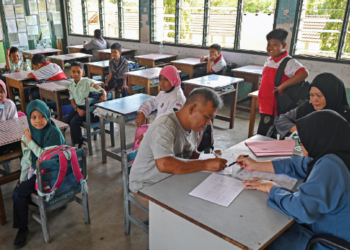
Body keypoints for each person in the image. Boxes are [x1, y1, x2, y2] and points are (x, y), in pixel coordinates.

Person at [237, 110, 350, 250]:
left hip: (326, 242)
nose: (302, 148)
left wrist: (271, 188)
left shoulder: (331, 166)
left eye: (303, 142)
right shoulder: (338, 153)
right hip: (325, 230)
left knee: (261, 240)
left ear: (317, 139)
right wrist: (256, 165)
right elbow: (297, 164)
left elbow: (301, 209)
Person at [129, 88, 228, 208]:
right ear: (192, 109)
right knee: (191, 207)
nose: (208, 123)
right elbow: (164, 164)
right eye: (207, 117)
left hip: (170, 179)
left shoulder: (194, 125)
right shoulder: (165, 125)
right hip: (146, 186)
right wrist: (206, 164)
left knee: (206, 196)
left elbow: (189, 154)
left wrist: (210, 158)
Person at [12, 100, 65, 248]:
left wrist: (29, 140)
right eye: (33, 117)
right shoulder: (29, 133)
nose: (38, 121)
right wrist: (22, 179)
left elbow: (44, 158)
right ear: (28, 118)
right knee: (18, 192)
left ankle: (23, 229)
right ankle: (50, 200)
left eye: (42, 116)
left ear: (48, 115)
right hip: (38, 172)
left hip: (53, 172)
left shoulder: (54, 132)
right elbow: (26, 159)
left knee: (18, 195)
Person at [257, 28, 309, 136]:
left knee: (265, 135)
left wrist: (282, 86)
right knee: (265, 132)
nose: (270, 47)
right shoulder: (269, 60)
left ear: (284, 45)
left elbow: (304, 73)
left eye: (275, 44)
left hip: (275, 107)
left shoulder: (289, 62)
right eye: (269, 44)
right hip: (265, 104)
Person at [275, 73, 350, 138]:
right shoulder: (308, 107)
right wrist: (298, 130)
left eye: (319, 95)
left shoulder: (345, 115)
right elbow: (281, 119)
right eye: (311, 95)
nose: (314, 100)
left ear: (331, 96)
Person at [133, 65, 186, 149]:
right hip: (159, 127)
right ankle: (137, 161)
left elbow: (168, 124)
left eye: (166, 79)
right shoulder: (165, 92)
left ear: (173, 79)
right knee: (139, 130)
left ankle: (146, 160)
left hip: (168, 134)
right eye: (160, 79)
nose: (161, 83)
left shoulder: (177, 98)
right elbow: (153, 102)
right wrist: (142, 112)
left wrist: (146, 135)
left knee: (142, 141)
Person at [63, 61, 107, 148]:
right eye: (74, 72)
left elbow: (101, 90)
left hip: (88, 110)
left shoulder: (87, 82)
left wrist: (104, 94)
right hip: (77, 108)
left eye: (78, 72)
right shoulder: (70, 86)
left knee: (73, 122)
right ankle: (60, 142)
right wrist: (77, 109)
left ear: (83, 73)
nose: (76, 74)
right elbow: (72, 101)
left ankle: (80, 143)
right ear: (70, 73)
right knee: (63, 123)